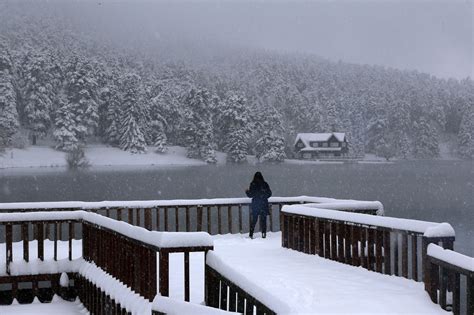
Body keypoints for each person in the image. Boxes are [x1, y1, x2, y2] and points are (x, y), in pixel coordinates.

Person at [245, 171, 272, 239]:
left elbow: (250, 195)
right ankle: (264, 233)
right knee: (263, 220)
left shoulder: (253, 184)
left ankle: (251, 234)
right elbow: (269, 193)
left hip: (256, 204)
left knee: (254, 220)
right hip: (263, 204)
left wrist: (247, 191)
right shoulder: (265, 184)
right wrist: (263, 196)